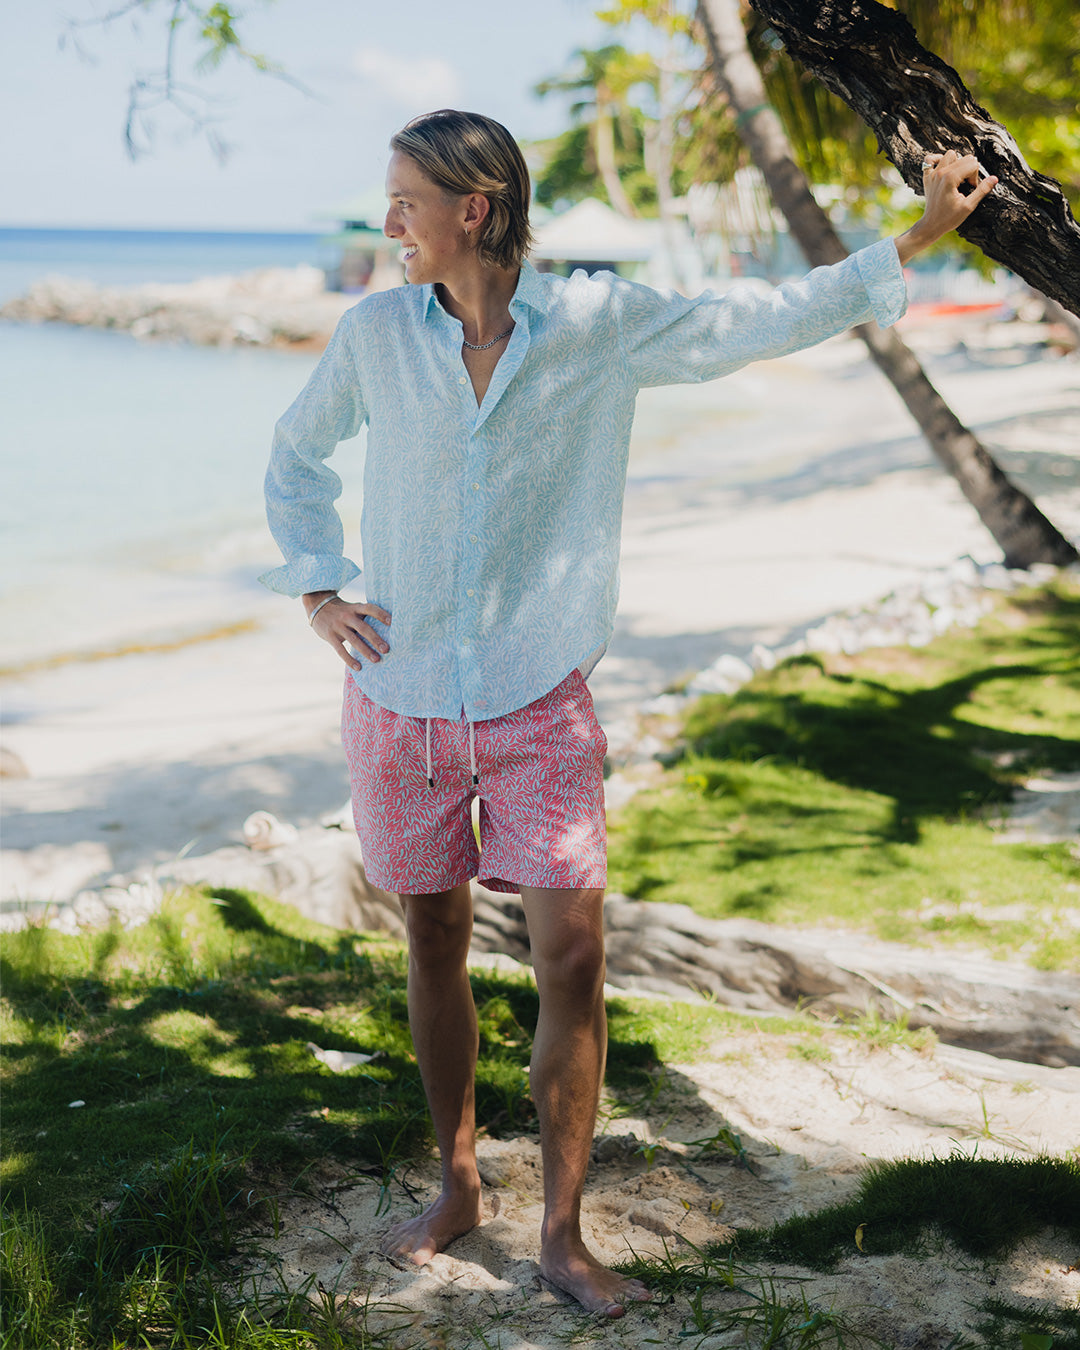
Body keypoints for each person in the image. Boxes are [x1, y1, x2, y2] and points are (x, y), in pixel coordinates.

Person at [262, 108, 996, 1317]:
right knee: (430, 940)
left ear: (474, 211)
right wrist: (315, 587)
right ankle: (453, 1186)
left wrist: (907, 242)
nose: (388, 222)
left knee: (573, 953)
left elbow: (747, 323)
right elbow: (298, 455)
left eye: (405, 201)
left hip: (539, 690)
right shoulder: (374, 337)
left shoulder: (596, 324)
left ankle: (560, 1231)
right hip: (397, 694)